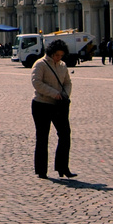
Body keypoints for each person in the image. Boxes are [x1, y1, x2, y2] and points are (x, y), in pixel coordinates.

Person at [31, 39, 75, 178]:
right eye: (56, 55)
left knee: (65, 134)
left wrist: (65, 94)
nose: (58, 58)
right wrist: (54, 93)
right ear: (51, 53)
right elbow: (36, 83)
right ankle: (41, 170)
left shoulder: (63, 66)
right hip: (41, 104)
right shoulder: (40, 64)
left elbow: (68, 82)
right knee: (42, 137)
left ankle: (63, 167)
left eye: (61, 55)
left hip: (59, 105)